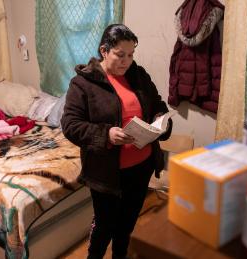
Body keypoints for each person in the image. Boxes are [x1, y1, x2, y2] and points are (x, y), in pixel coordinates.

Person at [61, 24, 172, 259]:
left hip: (141, 167)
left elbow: (157, 105)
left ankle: (120, 255)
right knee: (104, 226)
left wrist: (161, 121)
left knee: (127, 223)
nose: (127, 61)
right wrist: (106, 134)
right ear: (104, 50)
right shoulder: (83, 84)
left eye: (131, 55)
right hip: (107, 173)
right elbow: (70, 125)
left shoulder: (138, 75)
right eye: (120, 55)